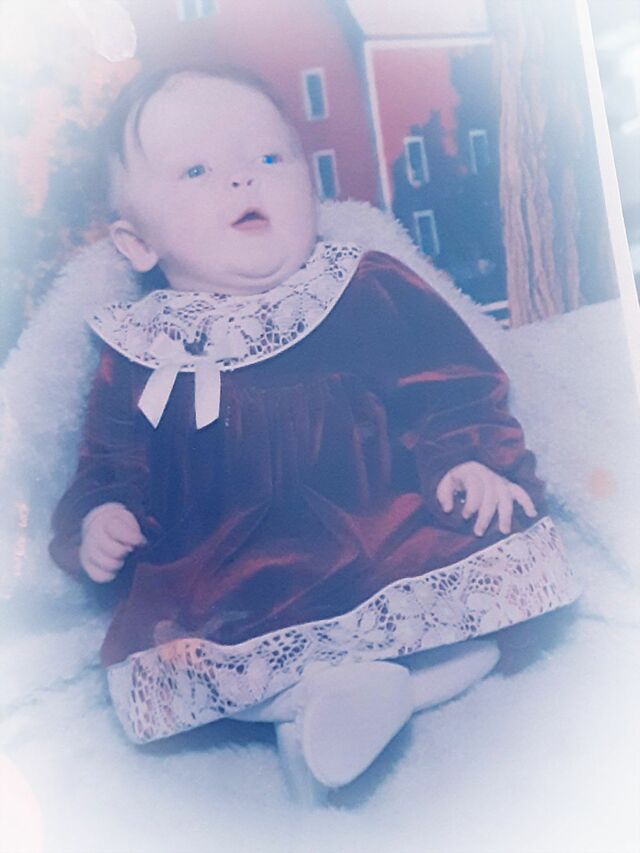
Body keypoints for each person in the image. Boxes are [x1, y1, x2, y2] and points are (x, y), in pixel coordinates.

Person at [49, 66, 578, 801]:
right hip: (228, 574)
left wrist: (467, 458)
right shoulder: (141, 348)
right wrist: (99, 516)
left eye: (270, 157)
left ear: (311, 190)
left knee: (482, 593)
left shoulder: (361, 285)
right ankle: (328, 702)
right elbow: (109, 460)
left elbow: (449, 381)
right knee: (189, 657)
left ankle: (390, 690)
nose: (244, 180)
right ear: (137, 244)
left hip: (382, 528)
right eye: (198, 171)